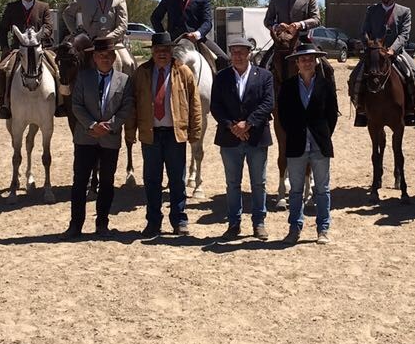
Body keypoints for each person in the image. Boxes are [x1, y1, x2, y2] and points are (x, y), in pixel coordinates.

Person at [130, 31, 204, 238]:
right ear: (152, 52)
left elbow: (195, 104)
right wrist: (130, 131)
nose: (162, 54)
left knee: (177, 180)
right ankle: (153, 222)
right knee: (152, 180)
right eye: (158, 50)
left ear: (172, 51)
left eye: (165, 50)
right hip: (151, 134)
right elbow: (133, 103)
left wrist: (195, 131)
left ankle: (179, 220)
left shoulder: (184, 72)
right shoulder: (142, 72)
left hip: (175, 134)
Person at [67, 39, 134, 238]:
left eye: (108, 56)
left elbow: (126, 107)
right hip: (85, 137)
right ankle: (75, 225)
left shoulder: (124, 80)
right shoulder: (82, 77)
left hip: (109, 139)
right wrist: (92, 125)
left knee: (107, 182)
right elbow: (76, 105)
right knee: (79, 182)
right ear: (94, 57)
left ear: (114, 57)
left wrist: (109, 126)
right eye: (100, 56)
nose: (105, 59)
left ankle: (102, 223)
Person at [210, 35, 275, 239]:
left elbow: (268, 103)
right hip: (230, 138)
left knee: (259, 183)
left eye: (241, 52)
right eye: (234, 52)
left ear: (249, 54)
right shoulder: (221, 77)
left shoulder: (264, 76)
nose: (237, 56)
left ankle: (259, 223)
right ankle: (234, 223)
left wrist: (247, 123)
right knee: (232, 184)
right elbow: (215, 106)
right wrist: (231, 126)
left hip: (256, 136)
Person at [276, 43, 338, 244]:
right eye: (303, 59)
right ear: (297, 63)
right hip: (296, 145)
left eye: (310, 59)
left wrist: (323, 134)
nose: (307, 62)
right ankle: (295, 227)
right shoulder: (287, 86)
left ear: (315, 61)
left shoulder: (326, 84)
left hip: (319, 145)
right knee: (295, 190)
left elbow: (332, 115)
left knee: (322, 189)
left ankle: (323, 228)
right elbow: (283, 117)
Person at [348, 0, 415, 128]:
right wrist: (369, 43)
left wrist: (393, 49)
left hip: (397, 52)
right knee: (355, 76)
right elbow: (364, 31)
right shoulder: (371, 10)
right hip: (374, 52)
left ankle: (411, 110)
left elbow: (404, 34)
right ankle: (361, 110)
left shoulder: (404, 11)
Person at [0, 0, 55, 120]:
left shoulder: (43, 6)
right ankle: (4, 104)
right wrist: (5, 48)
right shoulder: (11, 7)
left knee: (57, 70)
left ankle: (59, 104)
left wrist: (39, 35)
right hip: (18, 48)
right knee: (1, 71)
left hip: (40, 47)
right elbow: (2, 29)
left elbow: (48, 27)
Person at [151, 0, 228, 69]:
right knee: (151, 65)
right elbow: (155, 17)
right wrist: (164, 37)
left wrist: (197, 34)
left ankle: (220, 84)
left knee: (224, 59)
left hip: (196, 40)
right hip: (174, 40)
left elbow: (207, 22)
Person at [61, 0, 129, 54]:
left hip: (112, 44)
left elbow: (122, 26)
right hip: (87, 43)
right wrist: (76, 33)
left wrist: (108, 39)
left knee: (127, 62)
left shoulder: (120, 0)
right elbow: (67, 14)